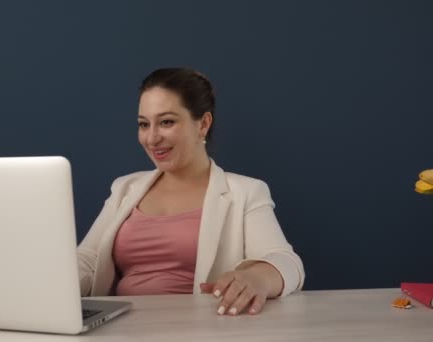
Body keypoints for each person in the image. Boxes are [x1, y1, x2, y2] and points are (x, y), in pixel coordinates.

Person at [77, 68, 305, 316]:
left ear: (204, 124)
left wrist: (257, 278)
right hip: (122, 329)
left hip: (201, 329)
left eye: (166, 122)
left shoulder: (246, 192)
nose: (151, 138)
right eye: (144, 124)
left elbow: (286, 262)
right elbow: (88, 259)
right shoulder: (124, 188)